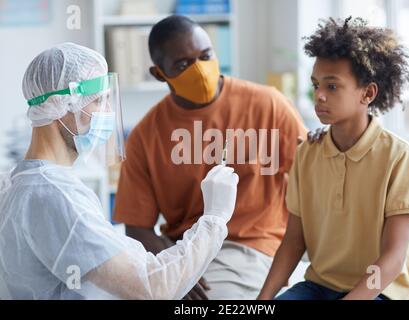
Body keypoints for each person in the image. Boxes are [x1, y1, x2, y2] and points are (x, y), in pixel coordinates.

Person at [0, 42, 239, 300]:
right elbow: (152, 288)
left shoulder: (16, 182)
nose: (108, 113)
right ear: (61, 105)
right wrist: (214, 218)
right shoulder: (56, 195)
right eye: (99, 101)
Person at [112, 15, 315, 300]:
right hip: (185, 246)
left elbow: (317, 177)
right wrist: (175, 266)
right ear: (159, 73)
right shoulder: (146, 134)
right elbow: (136, 225)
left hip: (248, 246)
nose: (200, 70)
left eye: (206, 56)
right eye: (182, 65)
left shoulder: (268, 105)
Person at [258, 17, 409, 300]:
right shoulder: (307, 153)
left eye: (332, 86)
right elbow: (293, 241)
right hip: (319, 287)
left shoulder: (400, 157)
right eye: (316, 85)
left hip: (382, 291)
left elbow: (393, 258)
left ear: (368, 93)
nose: (319, 96)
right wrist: (262, 301)